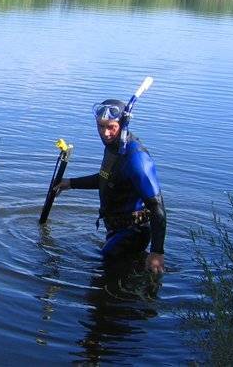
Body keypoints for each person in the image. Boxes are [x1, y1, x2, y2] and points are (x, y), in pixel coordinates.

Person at [56, 99, 166, 274]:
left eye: (111, 127)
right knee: (116, 277)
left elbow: (157, 206)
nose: (105, 133)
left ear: (123, 124)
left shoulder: (137, 159)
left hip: (133, 233)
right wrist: (70, 183)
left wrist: (157, 252)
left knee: (108, 265)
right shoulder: (113, 147)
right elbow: (107, 178)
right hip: (115, 229)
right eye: (100, 126)